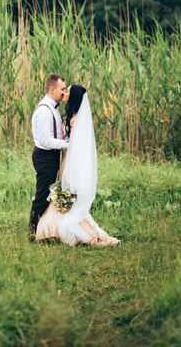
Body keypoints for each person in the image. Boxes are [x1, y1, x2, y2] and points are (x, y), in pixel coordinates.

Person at [35, 84, 121, 247]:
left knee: (71, 201)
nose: (64, 92)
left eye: (67, 90)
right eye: (64, 89)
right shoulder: (70, 116)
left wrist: (65, 148)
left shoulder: (75, 120)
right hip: (65, 159)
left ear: (73, 96)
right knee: (68, 201)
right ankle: (87, 234)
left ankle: (93, 236)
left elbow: (77, 145)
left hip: (69, 162)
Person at [29, 73, 69, 242]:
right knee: (43, 193)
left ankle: (44, 231)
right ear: (53, 89)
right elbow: (45, 140)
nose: (64, 92)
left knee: (48, 193)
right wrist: (68, 145)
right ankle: (33, 232)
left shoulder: (53, 109)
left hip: (51, 156)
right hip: (44, 156)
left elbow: (57, 134)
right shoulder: (45, 111)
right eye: (62, 89)